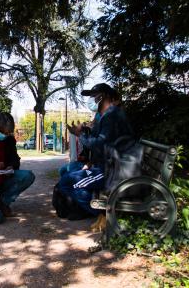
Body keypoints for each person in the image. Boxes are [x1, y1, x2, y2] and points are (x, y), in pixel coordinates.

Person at [56, 83, 134, 219]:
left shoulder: (112, 116)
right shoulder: (104, 115)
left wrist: (80, 134)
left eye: (93, 96)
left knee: (66, 182)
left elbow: (99, 144)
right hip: (105, 165)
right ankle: (84, 208)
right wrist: (90, 161)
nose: (90, 99)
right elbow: (100, 143)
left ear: (102, 96)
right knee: (67, 170)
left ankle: (100, 214)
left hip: (112, 171)